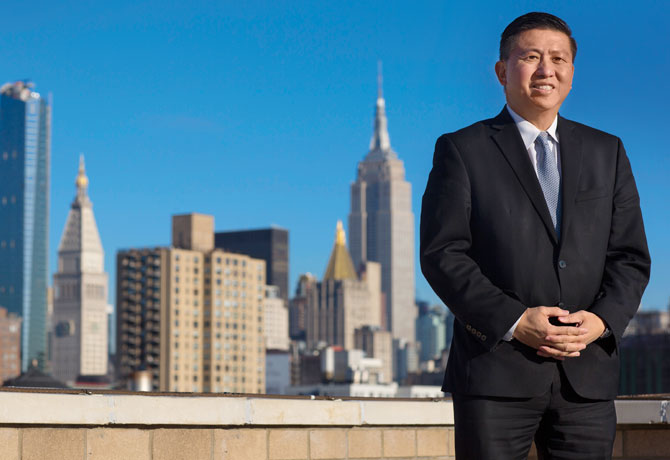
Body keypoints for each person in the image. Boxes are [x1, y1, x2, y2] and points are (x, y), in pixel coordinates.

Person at [420, 11, 651, 460]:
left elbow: (630, 256)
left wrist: (601, 322)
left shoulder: (607, 151)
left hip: (586, 376)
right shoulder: (462, 150)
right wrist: (513, 321)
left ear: (571, 72)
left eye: (558, 59)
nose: (547, 69)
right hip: (494, 374)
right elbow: (443, 254)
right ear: (502, 71)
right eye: (531, 57)